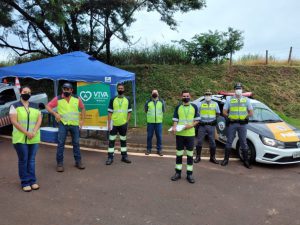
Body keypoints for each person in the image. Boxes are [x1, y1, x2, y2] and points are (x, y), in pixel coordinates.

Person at [46, 82, 86, 172]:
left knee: (76, 143)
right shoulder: (58, 98)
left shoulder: (76, 98)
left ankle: (78, 162)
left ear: (71, 90)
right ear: (62, 90)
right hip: (63, 124)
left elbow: (83, 108)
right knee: (61, 144)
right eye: (64, 89)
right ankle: (59, 163)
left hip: (74, 124)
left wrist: (82, 120)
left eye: (68, 89)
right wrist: (55, 113)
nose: (66, 91)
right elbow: (48, 106)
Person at [9, 86, 42, 192]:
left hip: (34, 137)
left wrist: (33, 132)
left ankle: (33, 181)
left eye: (28, 92)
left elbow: (39, 120)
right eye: (24, 92)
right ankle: (25, 182)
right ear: (20, 93)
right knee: (23, 160)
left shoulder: (36, 106)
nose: (26, 93)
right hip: (20, 138)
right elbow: (14, 121)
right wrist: (26, 132)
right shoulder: (14, 106)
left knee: (31, 160)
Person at [221, 82, 253, 168]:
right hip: (232, 123)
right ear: (234, 90)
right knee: (229, 141)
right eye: (237, 89)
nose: (238, 90)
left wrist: (246, 117)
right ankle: (225, 160)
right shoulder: (229, 99)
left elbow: (251, 112)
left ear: (242, 90)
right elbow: (224, 111)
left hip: (242, 124)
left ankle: (246, 161)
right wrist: (229, 117)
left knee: (243, 142)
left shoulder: (246, 100)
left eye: (240, 88)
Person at [171, 90, 200, 183]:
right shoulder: (178, 107)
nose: (186, 97)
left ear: (190, 96)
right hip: (180, 135)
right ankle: (178, 173)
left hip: (190, 135)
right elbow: (175, 119)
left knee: (190, 155)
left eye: (187, 96)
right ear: (181, 97)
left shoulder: (194, 107)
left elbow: (197, 120)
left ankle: (189, 174)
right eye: (184, 96)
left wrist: (190, 126)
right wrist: (174, 128)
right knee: (179, 154)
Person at [106, 83, 132, 165]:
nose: (120, 89)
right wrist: (109, 124)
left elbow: (129, 112)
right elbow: (109, 112)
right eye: (119, 88)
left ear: (124, 89)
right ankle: (110, 157)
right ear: (117, 89)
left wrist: (126, 122)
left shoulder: (127, 99)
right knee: (111, 141)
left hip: (123, 124)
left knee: (123, 141)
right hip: (114, 124)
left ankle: (124, 157)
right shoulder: (112, 99)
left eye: (122, 88)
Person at [194, 89, 220, 164]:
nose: (208, 96)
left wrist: (215, 120)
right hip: (202, 125)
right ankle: (198, 157)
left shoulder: (215, 104)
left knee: (212, 141)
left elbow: (218, 113)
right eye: (206, 95)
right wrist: (198, 121)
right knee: (199, 141)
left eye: (209, 95)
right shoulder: (200, 104)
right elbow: (197, 114)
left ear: (211, 96)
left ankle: (212, 158)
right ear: (204, 96)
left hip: (211, 125)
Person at [144, 89, 165, 156]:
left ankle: (159, 150)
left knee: (159, 136)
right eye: (153, 92)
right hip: (150, 122)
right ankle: (148, 149)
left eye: (156, 92)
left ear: (158, 94)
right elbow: (146, 110)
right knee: (149, 136)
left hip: (159, 122)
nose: (154, 93)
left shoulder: (162, 102)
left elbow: (163, 110)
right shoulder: (148, 102)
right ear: (151, 94)